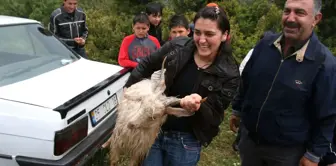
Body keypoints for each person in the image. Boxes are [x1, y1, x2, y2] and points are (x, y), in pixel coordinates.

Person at [125, 6, 240, 166]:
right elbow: (147, 64)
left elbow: (215, 115)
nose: (201, 40)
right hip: (155, 128)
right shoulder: (177, 47)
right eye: (198, 32)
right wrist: (128, 90)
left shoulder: (229, 73)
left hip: (187, 141)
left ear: (224, 35)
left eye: (209, 34)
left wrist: (199, 105)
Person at [230, 0, 336, 166]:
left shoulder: (324, 64)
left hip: (287, 154)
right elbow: (247, 81)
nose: (290, 18)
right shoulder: (265, 45)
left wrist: (314, 154)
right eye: (287, 11)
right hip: (250, 142)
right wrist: (237, 109)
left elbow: (327, 116)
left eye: (299, 13)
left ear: (316, 18)